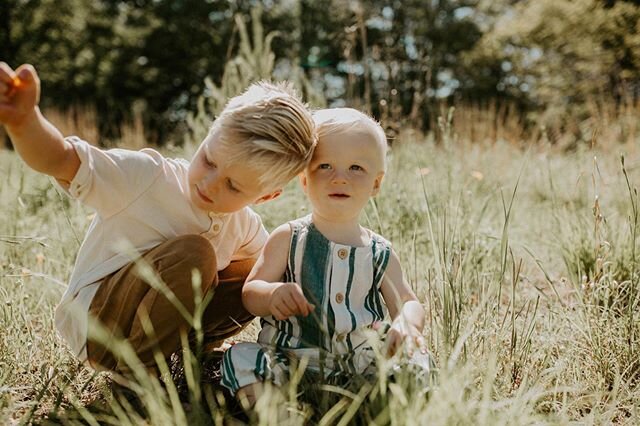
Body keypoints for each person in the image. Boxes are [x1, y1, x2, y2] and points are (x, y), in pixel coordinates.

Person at [0, 63, 316, 378]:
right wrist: (25, 122)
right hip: (99, 326)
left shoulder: (243, 224)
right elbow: (60, 159)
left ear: (265, 197)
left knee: (256, 271)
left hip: (160, 327)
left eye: (233, 186)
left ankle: (191, 353)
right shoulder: (148, 177)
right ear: (209, 133)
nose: (209, 184)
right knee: (196, 254)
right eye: (208, 159)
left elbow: (276, 273)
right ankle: (137, 376)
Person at [221, 108, 431, 405]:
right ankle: (281, 416)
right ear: (304, 180)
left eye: (356, 168)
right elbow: (251, 292)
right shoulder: (289, 237)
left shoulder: (379, 251)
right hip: (291, 360)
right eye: (325, 166)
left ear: (376, 183)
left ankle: (381, 409)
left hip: (360, 365)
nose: (339, 178)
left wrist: (407, 323)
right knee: (241, 357)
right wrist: (271, 294)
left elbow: (407, 302)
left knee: (416, 359)